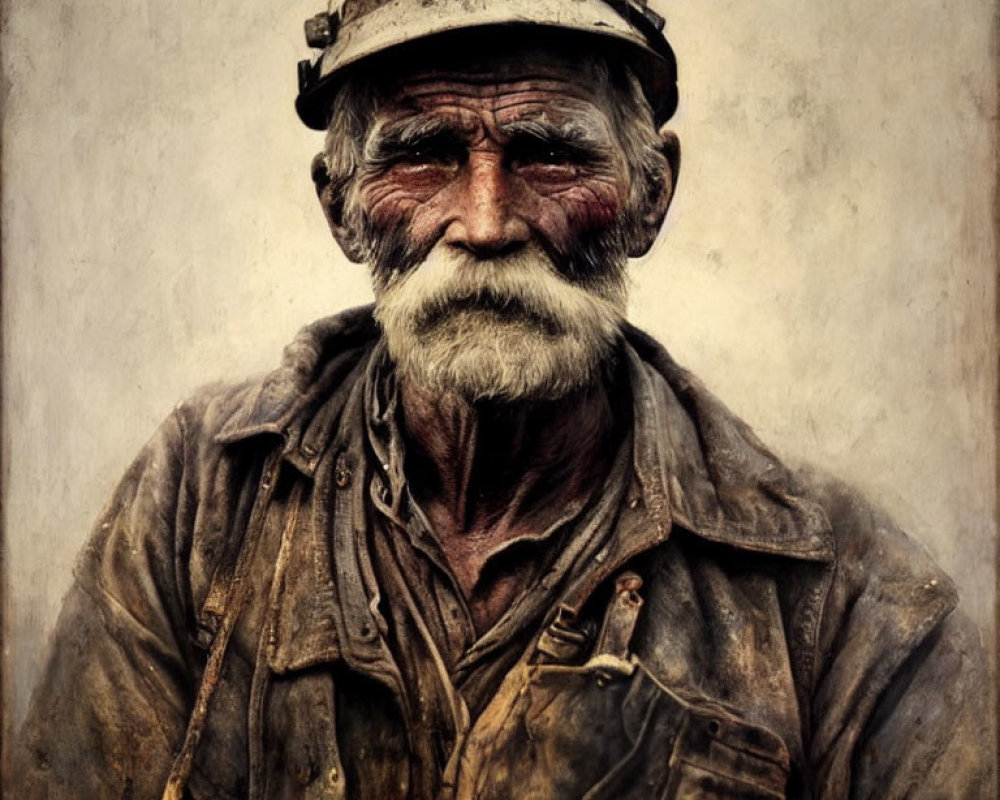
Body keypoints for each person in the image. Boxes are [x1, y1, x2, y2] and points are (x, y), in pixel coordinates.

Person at [10, 1, 995, 798]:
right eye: (423, 154)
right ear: (340, 207)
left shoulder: (851, 600)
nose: (484, 222)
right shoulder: (200, 495)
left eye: (548, 153)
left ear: (651, 195)